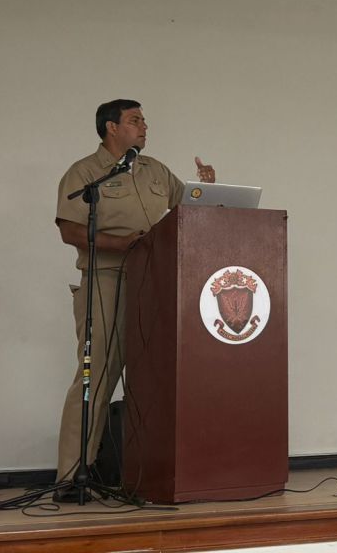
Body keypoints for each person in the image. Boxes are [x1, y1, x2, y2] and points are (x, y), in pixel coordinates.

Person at [52, 99, 215, 497]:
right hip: (106, 281)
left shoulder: (155, 170)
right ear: (111, 127)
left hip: (155, 282)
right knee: (96, 377)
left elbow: (188, 212)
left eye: (144, 120)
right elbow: (70, 231)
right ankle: (71, 477)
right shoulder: (85, 173)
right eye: (135, 120)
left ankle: (148, 473)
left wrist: (208, 188)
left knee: (154, 378)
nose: (144, 126)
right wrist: (121, 244)